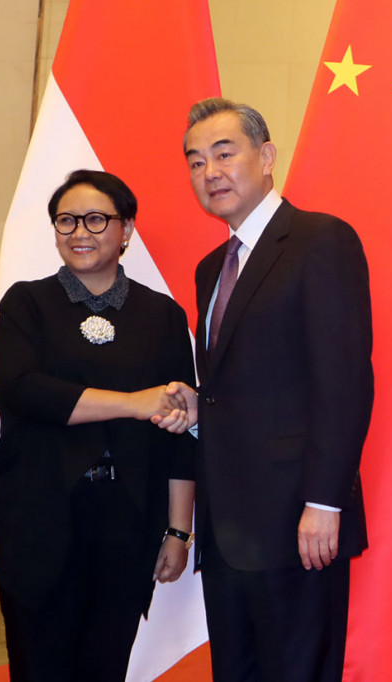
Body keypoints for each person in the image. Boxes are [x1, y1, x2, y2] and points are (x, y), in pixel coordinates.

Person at [160, 98, 374, 682]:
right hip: (227, 525)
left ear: (267, 156)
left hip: (296, 521)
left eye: (224, 154)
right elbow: (244, 382)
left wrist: (324, 502)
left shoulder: (320, 240)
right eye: (196, 162)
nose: (210, 172)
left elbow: (344, 381)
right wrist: (199, 405)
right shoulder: (211, 268)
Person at [0, 169, 197, 682]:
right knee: (38, 662)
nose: (80, 232)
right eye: (67, 220)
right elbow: (22, 391)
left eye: (96, 219)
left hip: (127, 517)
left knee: (106, 663)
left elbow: (180, 432)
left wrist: (178, 529)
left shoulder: (162, 315)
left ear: (126, 230)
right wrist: (133, 403)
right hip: (37, 513)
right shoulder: (26, 303)